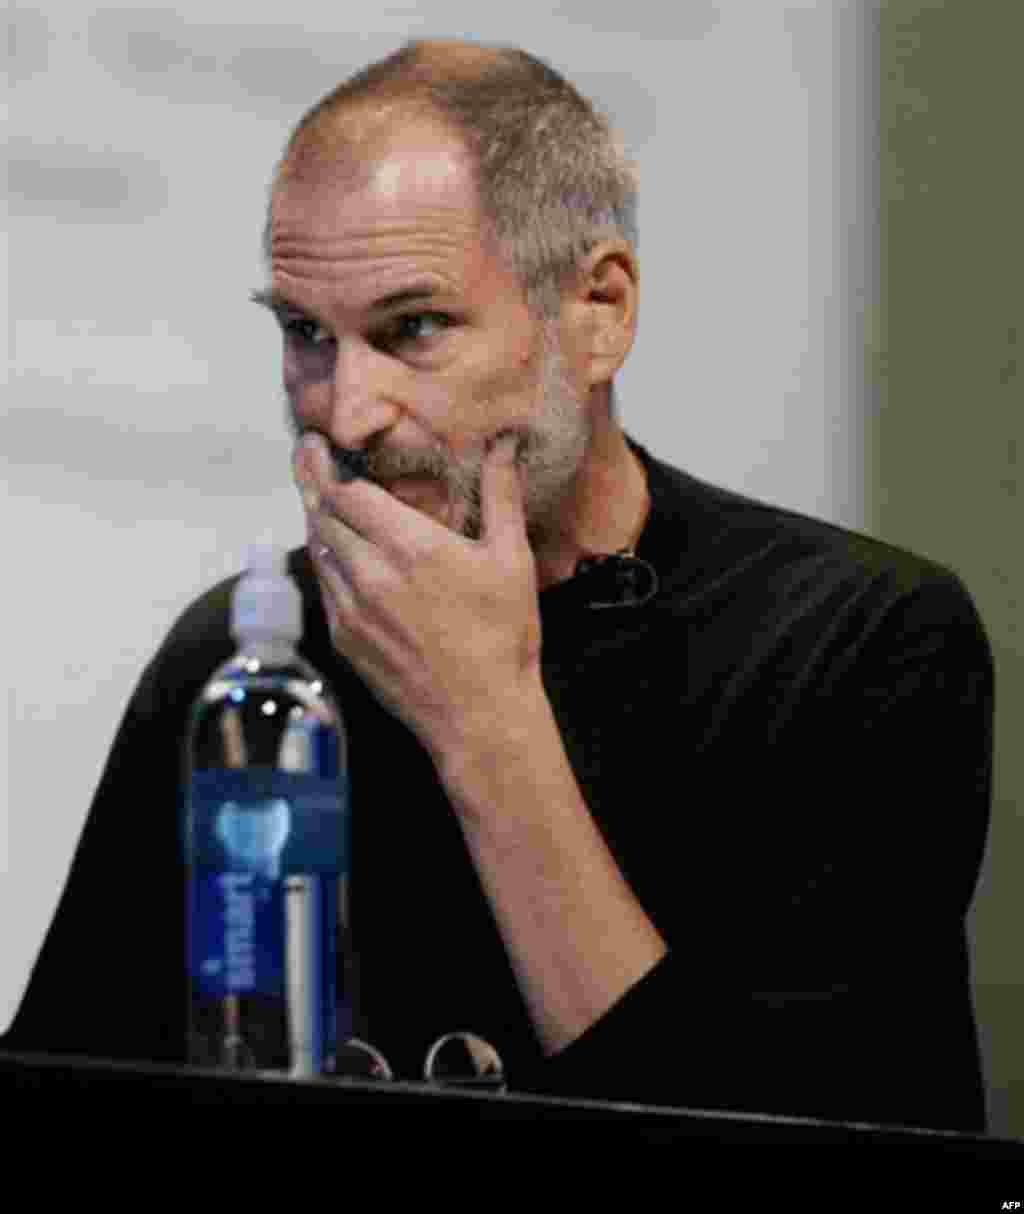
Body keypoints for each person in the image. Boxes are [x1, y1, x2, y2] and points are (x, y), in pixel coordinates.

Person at [3, 39, 993, 1132]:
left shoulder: (853, 640)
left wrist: (486, 722)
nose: (346, 412)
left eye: (412, 327)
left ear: (599, 310)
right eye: (304, 335)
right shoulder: (241, 677)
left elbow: (794, 1150)